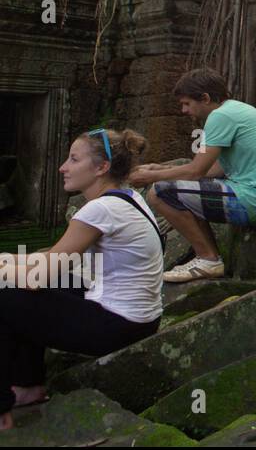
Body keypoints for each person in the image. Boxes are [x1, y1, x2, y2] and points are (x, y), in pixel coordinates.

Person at [0, 128, 164, 431]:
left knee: (6, 294)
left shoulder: (100, 209)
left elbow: (36, 278)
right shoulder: (128, 198)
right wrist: (8, 260)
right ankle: (28, 387)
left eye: (73, 159)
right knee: (26, 284)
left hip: (119, 325)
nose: (63, 166)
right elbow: (56, 256)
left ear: (101, 168)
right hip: (141, 318)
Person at [130, 68, 256, 283]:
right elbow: (214, 171)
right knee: (174, 186)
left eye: (187, 103)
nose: (184, 110)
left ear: (205, 98)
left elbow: (196, 171)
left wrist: (151, 178)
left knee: (160, 193)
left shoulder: (220, 116)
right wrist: (158, 169)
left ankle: (208, 259)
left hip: (253, 201)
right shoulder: (234, 111)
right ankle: (208, 257)